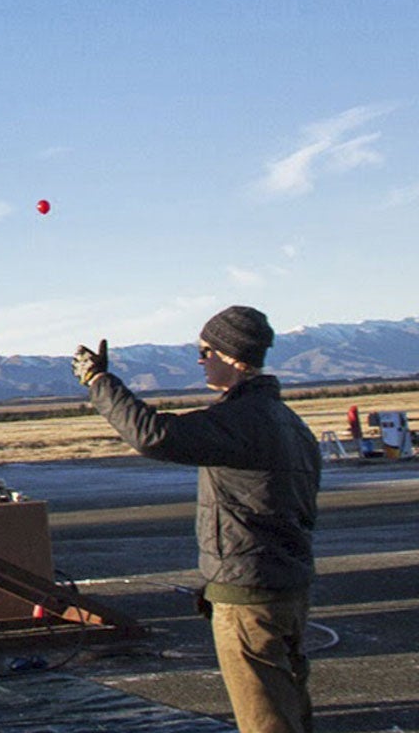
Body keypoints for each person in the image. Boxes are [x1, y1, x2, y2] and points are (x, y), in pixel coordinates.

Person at [74, 306, 319, 733]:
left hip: (248, 594)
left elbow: (154, 434)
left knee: (264, 717)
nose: (200, 360)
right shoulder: (290, 423)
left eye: (205, 350)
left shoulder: (242, 421)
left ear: (234, 358)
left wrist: (99, 383)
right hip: (288, 587)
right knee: (290, 704)